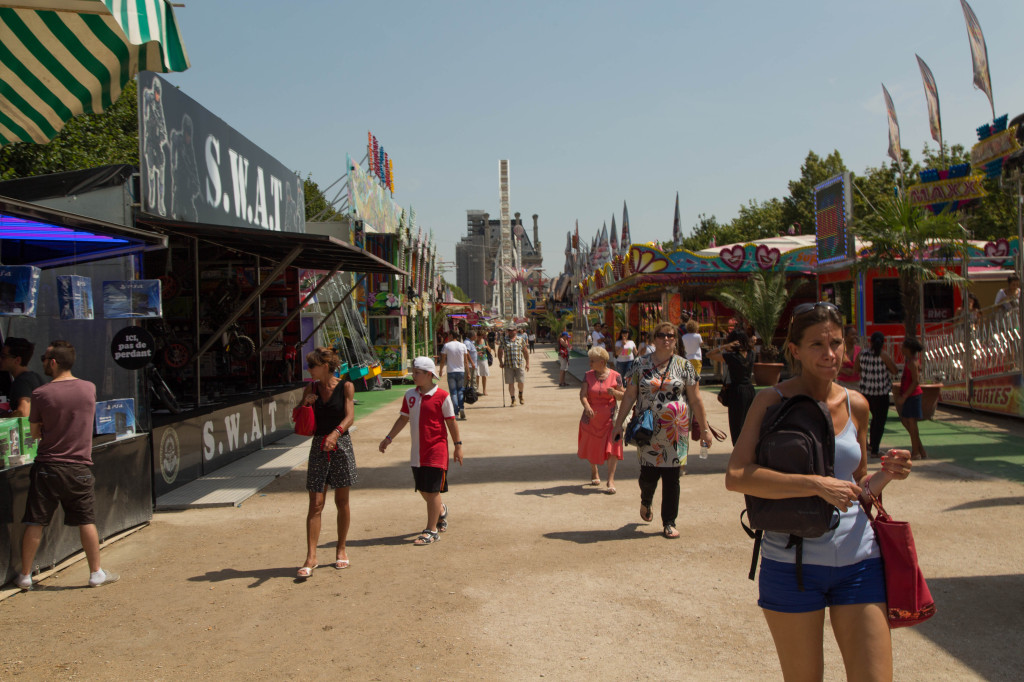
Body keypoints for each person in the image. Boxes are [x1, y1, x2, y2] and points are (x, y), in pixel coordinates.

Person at [724, 301, 913, 682]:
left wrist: (886, 476)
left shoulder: (855, 404)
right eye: (817, 345)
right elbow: (737, 475)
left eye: (836, 343)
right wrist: (813, 484)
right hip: (791, 566)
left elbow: (856, 486)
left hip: (860, 563)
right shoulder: (770, 401)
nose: (830, 354)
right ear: (794, 350)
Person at [16, 340, 118, 590]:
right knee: (87, 520)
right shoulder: (88, 388)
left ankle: (26, 575)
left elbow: (34, 432)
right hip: (78, 467)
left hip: (48, 467)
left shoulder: (40, 393)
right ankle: (95, 573)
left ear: (52, 362)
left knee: (35, 521)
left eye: (44, 358)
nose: (41, 362)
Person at [613, 322, 710, 539]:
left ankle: (669, 522)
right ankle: (646, 500)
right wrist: (618, 424)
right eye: (661, 335)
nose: (666, 339)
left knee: (671, 477)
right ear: (653, 338)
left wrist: (704, 429)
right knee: (648, 475)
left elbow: (695, 399)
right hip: (647, 429)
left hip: (676, 430)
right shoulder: (640, 364)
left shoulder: (685, 366)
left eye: (670, 335)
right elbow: (629, 395)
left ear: (676, 339)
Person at [378, 357, 463, 546]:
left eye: (417, 372)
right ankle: (441, 511)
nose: (413, 375)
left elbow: (451, 421)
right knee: (424, 490)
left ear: (428, 374)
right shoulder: (410, 395)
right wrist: (388, 438)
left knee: (432, 491)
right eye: (413, 371)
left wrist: (458, 446)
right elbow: (403, 419)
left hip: (436, 450)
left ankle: (431, 531)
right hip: (417, 452)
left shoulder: (442, 396)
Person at [297, 347, 357, 578]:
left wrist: (336, 433)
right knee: (316, 503)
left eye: (311, 365)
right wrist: (305, 404)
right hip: (318, 447)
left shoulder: (346, 386)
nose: (308, 369)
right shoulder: (310, 388)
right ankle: (311, 556)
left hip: (341, 445)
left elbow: (350, 417)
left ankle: (341, 548)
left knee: (342, 501)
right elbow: (299, 416)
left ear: (324, 366)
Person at [578, 347, 625, 493]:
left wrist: (616, 392)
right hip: (591, 418)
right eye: (590, 360)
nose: (590, 363)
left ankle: (610, 480)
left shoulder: (616, 375)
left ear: (602, 362)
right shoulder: (588, 375)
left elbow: (624, 396)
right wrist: (586, 406)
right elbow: (583, 395)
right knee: (592, 445)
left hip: (611, 419)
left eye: (593, 361)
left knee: (613, 448)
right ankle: (594, 470)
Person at [707, 330, 755, 446]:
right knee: (749, 423)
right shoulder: (751, 354)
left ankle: (738, 450)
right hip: (750, 390)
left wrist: (724, 346)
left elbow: (709, 355)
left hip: (737, 391)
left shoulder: (731, 357)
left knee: (736, 425)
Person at [858, 332, 899, 458]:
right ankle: (875, 448)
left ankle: (866, 445)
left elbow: (856, 369)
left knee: (866, 420)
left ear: (870, 341)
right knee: (879, 421)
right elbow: (894, 370)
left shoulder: (862, 354)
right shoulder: (883, 355)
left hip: (865, 392)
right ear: (883, 343)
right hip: (881, 393)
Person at [897, 338, 927, 460]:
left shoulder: (913, 363)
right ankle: (920, 449)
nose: (901, 348)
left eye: (903, 346)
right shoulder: (909, 361)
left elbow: (916, 381)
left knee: (911, 424)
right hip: (910, 395)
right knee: (906, 421)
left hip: (913, 396)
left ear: (908, 349)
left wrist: (904, 397)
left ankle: (916, 451)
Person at [1, 337, 44, 417]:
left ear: (17, 360)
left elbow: (24, 413)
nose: (0, 359)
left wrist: (3, 415)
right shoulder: (35, 377)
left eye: (3, 356)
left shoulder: (21, 381)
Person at [439, 332, 474, 421]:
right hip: (461, 371)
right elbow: (466, 361)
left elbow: (443, 360)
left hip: (451, 371)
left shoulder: (446, 346)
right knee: (460, 391)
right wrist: (468, 373)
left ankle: (456, 412)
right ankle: (461, 407)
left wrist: (441, 370)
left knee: (453, 392)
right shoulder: (462, 346)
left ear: (451, 336)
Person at [497, 327, 530, 406]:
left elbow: (525, 351)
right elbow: (500, 351)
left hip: (519, 364)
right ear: (508, 331)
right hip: (508, 365)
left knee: (521, 382)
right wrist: (501, 362)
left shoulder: (521, 339)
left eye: (513, 330)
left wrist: (527, 363)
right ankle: (513, 399)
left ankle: (520, 395)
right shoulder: (504, 340)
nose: (511, 332)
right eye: (510, 330)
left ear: (516, 331)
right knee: (510, 383)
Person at [836, 325, 861, 390]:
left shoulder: (859, 350)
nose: (855, 337)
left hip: (857, 384)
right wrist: (843, 370)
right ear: (845, 336)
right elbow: (833, 366)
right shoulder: (839, 350)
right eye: (852, 334)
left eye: (856, 334)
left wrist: (855, 370)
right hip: (842, 384)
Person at [475, 331, 493, 396]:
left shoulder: (485, 342)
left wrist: (486, 347)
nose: (479, 338)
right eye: (478, 336)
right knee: (477, 375)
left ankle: (484, 389)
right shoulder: (474, 342)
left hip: (484, 360)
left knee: (484, 375)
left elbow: (490, 350)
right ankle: (477, 390)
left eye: (480, 336)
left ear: (482, 336)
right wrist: (475, 349)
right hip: (477, 360)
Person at [464, 329, 480, 396]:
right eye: (475, 335)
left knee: (473, 379)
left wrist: (477, 353)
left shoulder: (471, 342)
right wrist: (472, 362)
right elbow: (467, 353)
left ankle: (474, 392)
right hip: (470, 365)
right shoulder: (467, 343)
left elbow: (471, 352)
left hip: (473, 365)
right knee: (468, 379)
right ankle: (467, 392)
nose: (476, 337)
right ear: (472, 336)